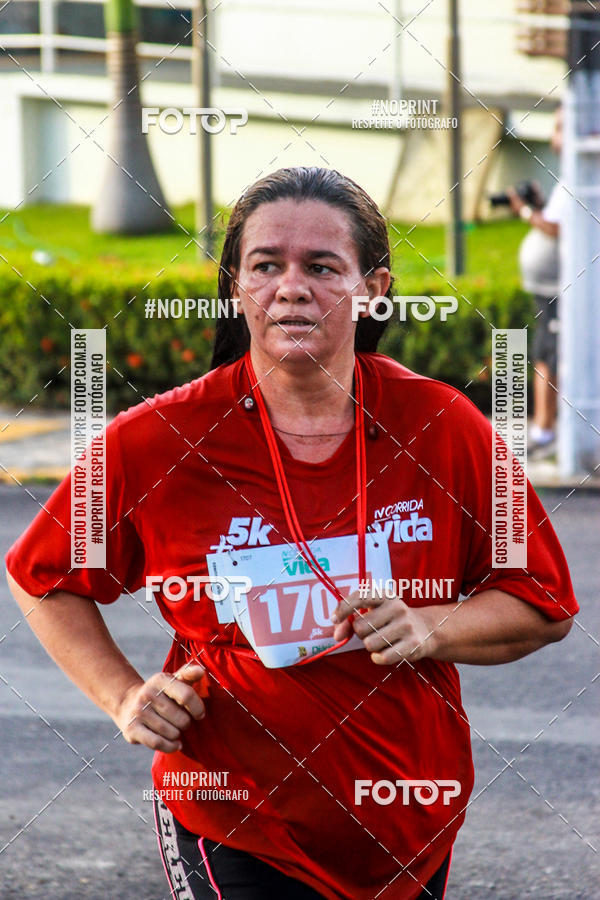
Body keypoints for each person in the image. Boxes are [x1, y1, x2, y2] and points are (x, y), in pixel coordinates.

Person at [5, 167, 578, 900]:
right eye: (266, 265)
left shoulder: (445, 427)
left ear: (374, 288)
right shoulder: (155, 440)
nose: (292, 286)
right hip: (236, 814)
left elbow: (542, 600)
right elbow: (42, 577)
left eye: (322, 267)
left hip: (410, 817)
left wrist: (429, 627)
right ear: (235, 288)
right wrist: (122, 696)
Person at [509, 105, 566, 457]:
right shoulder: (572, 173)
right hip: (547, 287)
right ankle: (545, 426)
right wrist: (540, 206)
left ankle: (545, 430)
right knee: (545, 353)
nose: (553, 136)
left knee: (548, 355)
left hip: (558, 288)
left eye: (561, 127)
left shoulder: (583, 173)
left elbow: (558, 228)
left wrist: (526, 212)